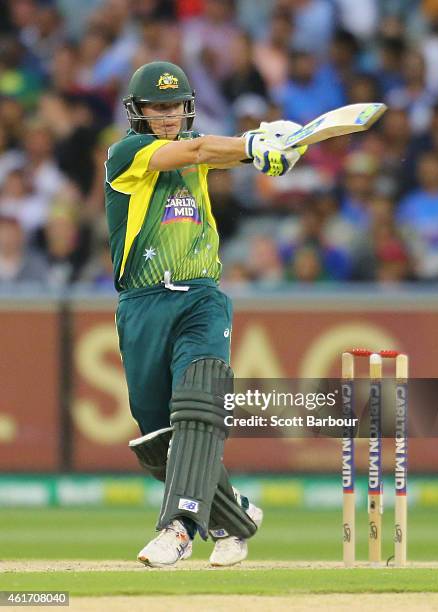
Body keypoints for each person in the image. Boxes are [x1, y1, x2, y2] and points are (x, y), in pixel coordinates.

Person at [104, 60, 305, 567]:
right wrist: (253, 145)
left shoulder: (199, 153)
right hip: (142, 305)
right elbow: (196, 149)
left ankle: (178, 528)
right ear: (138, 113)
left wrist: (271, 149)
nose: (168, 116)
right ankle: (234, 515)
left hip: (200, 298)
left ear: (187, 107)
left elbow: (214, 151)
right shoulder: (126, 154)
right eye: (157, 107)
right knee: (159, 440)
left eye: (175, 107)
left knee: (198, 404)